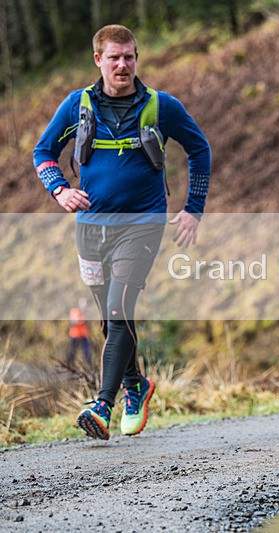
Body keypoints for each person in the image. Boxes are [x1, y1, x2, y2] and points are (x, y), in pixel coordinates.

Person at [33, 25, 212, 439]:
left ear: (136, 58)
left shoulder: (161, 106)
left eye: (129, 56)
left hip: (143, 223)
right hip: (91, 228)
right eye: (114, 57)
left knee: (118, 309)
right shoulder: (77, 106)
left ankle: (103, 405)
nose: (123, 65)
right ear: (98, 59)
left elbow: (199, 148)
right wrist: (59, 189)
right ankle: (137, 384)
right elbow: (43, 151)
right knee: (111, 318)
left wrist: (193, 209)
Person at [66, 298, 93, 370]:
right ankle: (68, 367)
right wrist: (81, 319)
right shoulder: (74, 311)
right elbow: (73, 322)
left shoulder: (86, 313)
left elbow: (88, 323)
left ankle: (89, 368)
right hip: (75, 335)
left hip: (84, 335)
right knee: (72, 352)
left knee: (87, 352)